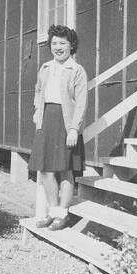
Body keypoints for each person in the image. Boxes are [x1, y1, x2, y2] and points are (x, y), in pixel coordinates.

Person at [28, 24, 88, 231]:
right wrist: (37, 110)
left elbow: (81, 102)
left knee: (65, 170)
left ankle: (63, 215)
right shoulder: (45, 68)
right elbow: (38, 91)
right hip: (46, 121)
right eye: (54, 43)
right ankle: (53, 212)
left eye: (62, 43)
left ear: (72, 46)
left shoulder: (77, 70)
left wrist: (74, 128)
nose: (58, 47)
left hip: (66, 123)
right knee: (45, 169)